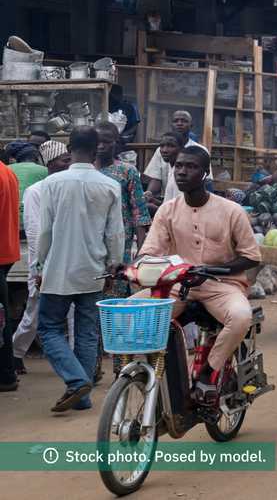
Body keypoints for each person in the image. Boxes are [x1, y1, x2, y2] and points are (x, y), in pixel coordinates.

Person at [136, 146, 260, 400]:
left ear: (205, 174)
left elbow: (250, 256)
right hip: (178, 285)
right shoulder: (167, 210)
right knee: (131, 311)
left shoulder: (231, 211)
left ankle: (208, 372)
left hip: (222, 285)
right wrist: (132, 265)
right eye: (179, 166)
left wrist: (214, 270)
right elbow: (149, 250)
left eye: (191, 167)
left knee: (240, 316)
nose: (182, 171)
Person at [36, 126, 125, 412]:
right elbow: (115, 233)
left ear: (68, 147)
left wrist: (39, 264)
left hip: (58, 269)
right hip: (94, 269)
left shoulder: (52, 183)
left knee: (49, 329)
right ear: (97, 146)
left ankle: (76, 382)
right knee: (87, 333)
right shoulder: (109, 185)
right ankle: (82, 396)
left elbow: (45, 231)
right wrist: (114, 264)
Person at [11, 141, 70, 375]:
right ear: (51, 163)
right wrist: (41, 268)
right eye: (64, 159)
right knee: (35, 313)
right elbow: (36, 233)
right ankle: (15, 352)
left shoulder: (69, 188)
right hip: (44, 263)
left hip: (70, 260)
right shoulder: (36, 192)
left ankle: (80, 364)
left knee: (76, 316)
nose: (69, 163)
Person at [96, 122, 150, 272]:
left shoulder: (127, 171)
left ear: (116, 142)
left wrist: (141, 252)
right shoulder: (86, 170)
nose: (101, 146)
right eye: (97, 141)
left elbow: (139, 212)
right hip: (91, 240)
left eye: (106, 142)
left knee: (117, 280)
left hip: (121, 239)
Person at [0, 154, 21, 391]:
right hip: (7, 251)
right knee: (2, 315)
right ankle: (6, 373)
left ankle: (6, 374)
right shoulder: (7, 171)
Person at [144, 130, 190, 212]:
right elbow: (170, 203)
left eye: (171, 146)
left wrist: (154, 209)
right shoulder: (171, 169)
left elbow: (179, 210)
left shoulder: (181, 175)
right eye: (162, 146)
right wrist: (154, 201)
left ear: (181, 148)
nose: (164, 150)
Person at [8, 142, 47, 229]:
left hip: (10, 221)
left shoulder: (6, 169)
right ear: (36, 157)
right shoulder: (44, 170)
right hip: (33, 221)